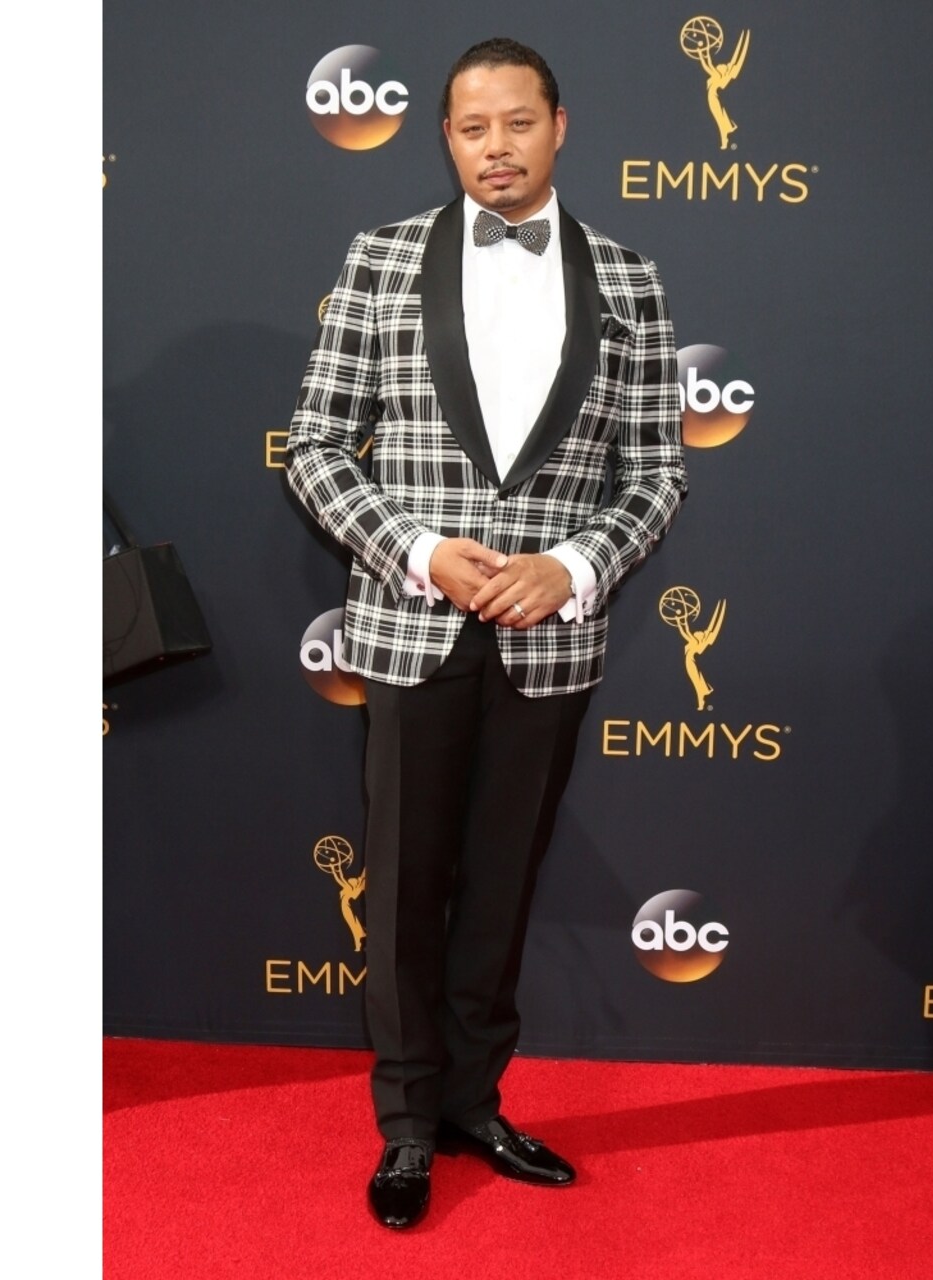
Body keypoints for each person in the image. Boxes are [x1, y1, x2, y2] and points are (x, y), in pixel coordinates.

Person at [286, 36, 687, 1229]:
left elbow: (655, 474)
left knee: (501, 882)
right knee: (405, 884)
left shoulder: (629, 278)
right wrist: (413, 547)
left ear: (559, 126)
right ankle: (406, 1124)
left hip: (548, 640)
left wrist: (569, 565)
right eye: (471, 128)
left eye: (517, 123)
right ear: (444, 137)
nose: (495, 147)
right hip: (409, 625)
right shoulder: (378, 259)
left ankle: (472, 1099)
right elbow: (313, 445)